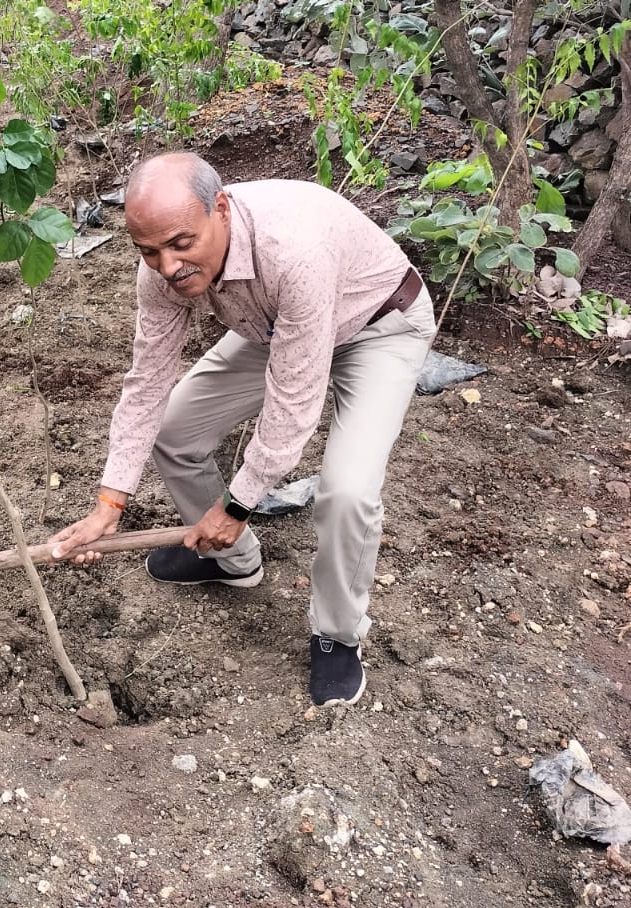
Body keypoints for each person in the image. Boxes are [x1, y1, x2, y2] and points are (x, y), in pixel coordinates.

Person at [51, 153, 436, 707]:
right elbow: (147, 380)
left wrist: (237, 506)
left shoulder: (294, 252)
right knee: (175, 430)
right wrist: (110, 502)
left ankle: (336, 635)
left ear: (222, 210)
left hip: (377, 326)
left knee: (347, 491)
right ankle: (231, 561)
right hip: (275, 326)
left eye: (182, 244)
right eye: (149, 251)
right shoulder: (161, 265)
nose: (167, 266)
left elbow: (294, 404)